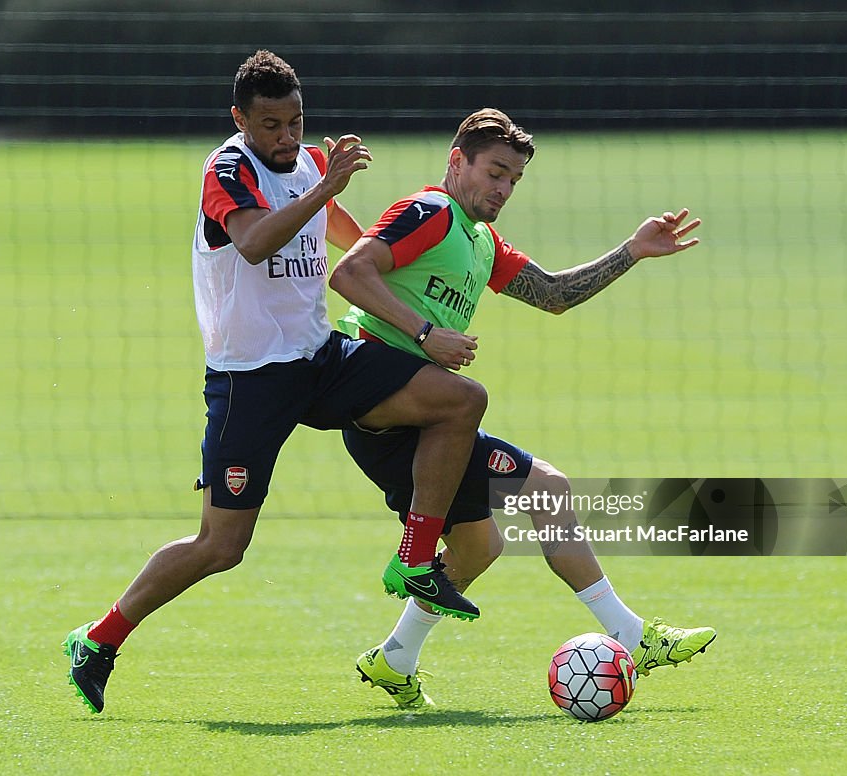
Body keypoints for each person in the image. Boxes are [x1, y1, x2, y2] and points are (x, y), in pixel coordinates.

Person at [61, 51, 491, 715]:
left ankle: (413, 557)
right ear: (240, 119)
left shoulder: (313, 166)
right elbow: (255, 242)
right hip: (248, 381)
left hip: (318, 359)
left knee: (458, 400)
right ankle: (99, 639)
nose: (287, 137)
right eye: (270, 125)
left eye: (295, 121)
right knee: (221, 546)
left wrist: (413, 259)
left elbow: (350, 245)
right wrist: (326, 189)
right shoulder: (227, 169)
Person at [329, 108, 717, 708]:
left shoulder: (480, 240)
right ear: (457, 162)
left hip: (427, 418)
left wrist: (631, 252)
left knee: (481, 547)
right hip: (383, 400)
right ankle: (633, 637)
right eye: (495, 172)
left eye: (514, 179)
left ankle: (394, 657)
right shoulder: (430, 212)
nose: (503, 189)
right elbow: (351, 272)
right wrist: (426, 332)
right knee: (546, 487)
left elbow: (556, 295)